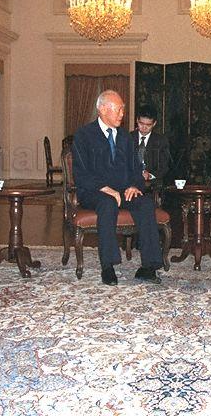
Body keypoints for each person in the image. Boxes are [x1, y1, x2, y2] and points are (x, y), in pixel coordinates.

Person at [72, 90, 165, 286]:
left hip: (123, 191)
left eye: (123, 109)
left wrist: (133, 185)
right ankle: (108, 266)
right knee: (107, 204)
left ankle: (149, 266)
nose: (123, 113)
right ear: (102, 109)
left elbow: (137, 169)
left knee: (146, 204)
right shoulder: (84, 135)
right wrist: (104, 188)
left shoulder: (125, 137)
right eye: (119, 109)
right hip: (94, 192)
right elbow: (81, 173)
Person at [130, 104, 171, 186]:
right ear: (137, 120)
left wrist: (150, 175)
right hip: (130, 181)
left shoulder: (161, 141)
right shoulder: (128, 138)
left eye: (148, 125)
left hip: (152, 185)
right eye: (141, 123)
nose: (144, 127)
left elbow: (164, 167)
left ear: (154, 123)